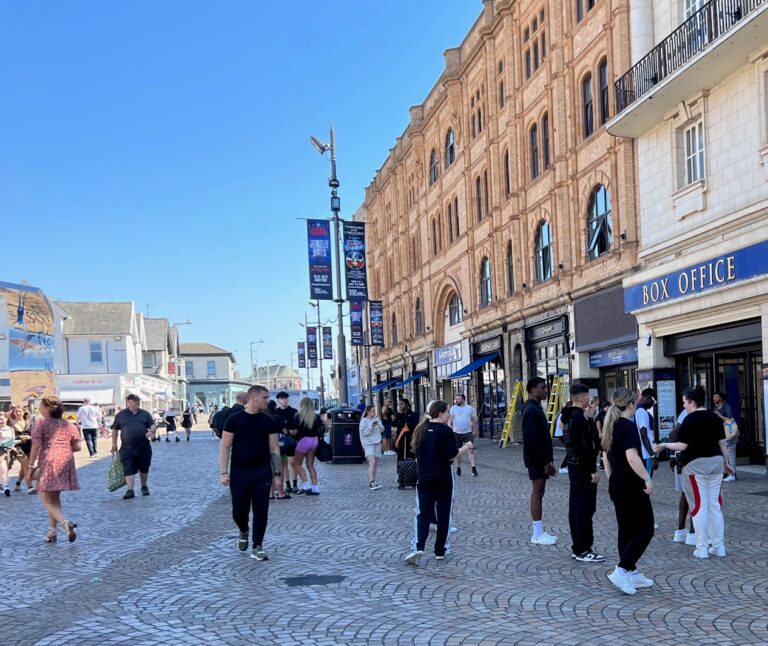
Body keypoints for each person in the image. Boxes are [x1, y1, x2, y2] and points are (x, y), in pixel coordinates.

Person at [655, 386, 735, 558]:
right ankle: (718, 546)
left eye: (684, 402)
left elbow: (682, 446)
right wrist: (726, 464)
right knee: (714, 506)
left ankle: (702, 547)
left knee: (699, 506)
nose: (683, 406)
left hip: (695, 467)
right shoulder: (715, 418)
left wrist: (663, 445)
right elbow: (722, 444)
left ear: (691, 402)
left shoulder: (689, 420)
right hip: (716, 465)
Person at [404, 400, 474, 565]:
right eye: (448, 411)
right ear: (440, 413)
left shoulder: (420, 430)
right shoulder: (445, 431)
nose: (450, 414)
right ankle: (440, 550)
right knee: (444, 514)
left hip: (424, 478)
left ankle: (419, 546)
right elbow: (451, 454)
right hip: (443, 477)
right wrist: (467, 446)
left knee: (423, 513)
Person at [219, 385, 282, 561]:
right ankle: (243, 530)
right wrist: (223, 472)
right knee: (239, 511)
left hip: (262, 471)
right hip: (240, 472)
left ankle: (257, 546)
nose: (268, 401)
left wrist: (277, 475)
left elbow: (275, 449)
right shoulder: (233, 420)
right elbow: (225, 447)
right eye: (265, 397)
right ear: (253, 398)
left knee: (261, 509)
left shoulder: (268, 421)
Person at [602, 388, 655, 595]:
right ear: (632, 404)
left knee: (626, 528)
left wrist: (612, 477)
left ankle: (630, 571)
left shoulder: (611, 424)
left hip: (617, 483)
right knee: (645, 528)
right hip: (631, 484)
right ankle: (623, 569)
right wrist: (647, 477)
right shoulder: (628, 426)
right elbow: (632, 457)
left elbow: (605, 457)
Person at [27, 397, 81, 543]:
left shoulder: (41, 423)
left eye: (41, 407)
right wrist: (62, 449)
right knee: (54, 498)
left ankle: (65, 523)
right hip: (66, 461)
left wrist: (30, 466)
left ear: (47, 408)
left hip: (49, 461)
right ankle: (52, 532)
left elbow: (36, 445)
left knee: (45, 497)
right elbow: (77, 447)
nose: (39, 409)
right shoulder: (68, 424)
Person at [562, 384, 604, 562]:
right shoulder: (577, 418)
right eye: (587, 396)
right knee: (584, 509)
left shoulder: (569, 416)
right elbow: (585, 446)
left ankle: (578, 546)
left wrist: (591, 419)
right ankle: (583, 548)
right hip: (582, 469)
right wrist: (592, 469)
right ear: (581, 398)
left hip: (574, 467)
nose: (590, 399)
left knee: (577, 507)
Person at [522, 377, 557, 545]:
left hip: (539, 459)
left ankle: (539, 531)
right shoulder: (530, 409)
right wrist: (545, 462)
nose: (545, 391)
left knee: (540, 491)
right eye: (542, 388)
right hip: (536, 460)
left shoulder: (535, 408)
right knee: (537, 491)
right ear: (533, 389)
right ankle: (537, 533)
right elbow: (533, 440)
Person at [111, 394, 157, 499]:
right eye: (135, 401)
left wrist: (152, 430)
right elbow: (115, 429)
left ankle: (144, 486)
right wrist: (114, 444)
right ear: (129, 402)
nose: (137, 403)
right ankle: (130, 490)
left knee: (144, 468)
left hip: (143, 447)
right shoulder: (121, 415)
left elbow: (152, 424)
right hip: (127, 447)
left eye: (138, 401)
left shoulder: (145, 414)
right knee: (128, 468)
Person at [291, 397, 323, 495]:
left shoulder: (298, 416)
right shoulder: (316, 416)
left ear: (302, 404)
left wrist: (289, 432)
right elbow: (321, 429)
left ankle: (306, 485)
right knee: (310, 465)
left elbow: (295, 432)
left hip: (303, 441)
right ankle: (315, 488)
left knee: (297, 464)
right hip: (314, 440)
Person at [273, 392, 298, 494]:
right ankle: (287, 485)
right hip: (281, 442)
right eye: (282, 399)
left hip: (292, 441)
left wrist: (293, 431)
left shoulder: (293, 411)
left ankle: (295, 485)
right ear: (278, 400)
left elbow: (297, 427)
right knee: (283, 465)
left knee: (292, 463)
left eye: (286, 398)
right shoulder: (276, 413)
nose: (285, 400)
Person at [449, 393, 478, 477]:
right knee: (457, 452)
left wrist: (476, 430)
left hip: (468, 433)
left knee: (471, 450)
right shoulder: (453, 408)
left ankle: (473, 468)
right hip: (456, 433)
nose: (456, 400)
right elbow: (450, 420)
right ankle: (458, 468)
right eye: (456, 399)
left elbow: (473, 420)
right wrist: (449, 427)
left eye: (458, 399)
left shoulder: (469, 408)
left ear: (463, 400)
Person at [712, 391, 737, 481]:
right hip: (721, 434)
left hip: (729, 433)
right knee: (724, 455)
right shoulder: (715, 408)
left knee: (731, 454)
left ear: (721, 398)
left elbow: (730, 419)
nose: (714, 399)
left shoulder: (726, 407)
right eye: (714, 397)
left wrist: (719, 415)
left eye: (716, 397)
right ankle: (727, 474)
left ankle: (733, 475)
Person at [8, 404, 33, 492]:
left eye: (20, 411)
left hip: (29, 445)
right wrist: (21, 437)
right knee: (26, 463)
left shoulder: (29, 421)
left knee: (24, 465)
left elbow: (33, 433)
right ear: (13, 413)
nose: (18, 413)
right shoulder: (10, 422)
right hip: (16, 446)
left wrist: (30, 437)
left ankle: (18, 484)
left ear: (24, 412)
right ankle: (30, 487)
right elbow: (9, 436)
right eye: (16, 411)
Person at [359, 405, 384, 490]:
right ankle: (371, 482)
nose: (374, 412)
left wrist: (379, 423)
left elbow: (382, 430)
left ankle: (374, 480)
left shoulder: (376, 419)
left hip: (377, 442)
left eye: (375, 411)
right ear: (368, 412)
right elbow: (364, 433)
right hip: (368, 444)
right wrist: (371, 427)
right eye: (373, 411)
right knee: (372, 462)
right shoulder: (364, 421)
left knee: (375, 463)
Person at [634, 389, 656, 476]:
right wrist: (652, 455)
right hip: (646, 454)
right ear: (648, 397)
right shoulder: (642, 412)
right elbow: (643, 435)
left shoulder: (637, 410)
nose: (653, 403)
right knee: (647, 483)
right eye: (653, 400)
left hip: (642, 453)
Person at [1, 411, 14, 496]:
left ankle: (2, 485)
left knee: (6, 470)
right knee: (2, 467)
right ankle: (5, 486)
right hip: (0, 451)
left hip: (10, 450)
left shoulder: (11, 429)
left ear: (6, 419)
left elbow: (13, 440)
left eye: (2, 419)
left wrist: (12, 445)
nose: (0, 421)